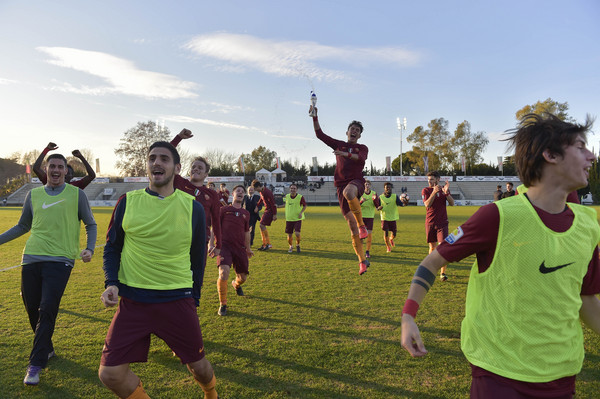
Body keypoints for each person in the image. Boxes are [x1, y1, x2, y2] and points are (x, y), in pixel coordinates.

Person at [401, 113, 600, 398]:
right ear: (550, 155)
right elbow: (432, 261)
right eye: (580, 147)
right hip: (498, 374)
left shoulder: (587, 224)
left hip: (562, 374)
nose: (591, 156)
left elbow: (586, 298)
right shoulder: (498, 216)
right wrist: (409, 315)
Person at [99, 141, 218, 399]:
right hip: (133, 301)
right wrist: (111, 282)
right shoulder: (127, 201)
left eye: (164, 159)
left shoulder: (193, 208)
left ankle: (211, 393)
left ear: (176, 168)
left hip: (177, 299)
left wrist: (194, 298)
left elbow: (198, 260)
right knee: (110, 374)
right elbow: (112, 248)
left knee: (199, 368)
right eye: (152, 158)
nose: (157, 163)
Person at [0, 153, 97, 386]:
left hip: (61, 259)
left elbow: (91, 224)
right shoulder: (34, 195)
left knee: (47, 308)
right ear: (46, 169)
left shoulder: (77, 194)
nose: (55, 170)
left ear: (66, 171)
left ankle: (35, 364)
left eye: (60, 167)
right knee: (32, 307)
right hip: (31, 256)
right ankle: (48, 348)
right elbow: (23, 225)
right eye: (51, 166)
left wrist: (90, 249)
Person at [310, 105, 370, 275]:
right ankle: (361, 261)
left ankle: (362, 226)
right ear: (347, 132)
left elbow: (361, 158)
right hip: (340, 185)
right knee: (351, 227)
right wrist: (315, 116)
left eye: (357, 130)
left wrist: (345, 155)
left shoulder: (362, 147)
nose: (354, 131)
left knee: (349, 193)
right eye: (352, 129)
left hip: (356, 182)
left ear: (360, 135)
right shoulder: (339, 144)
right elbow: (319, 134)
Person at [170, 130, 222, 258]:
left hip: (200, 240)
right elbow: (166, 155)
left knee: (196, 277)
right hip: (176, 239)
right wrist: (178, 138)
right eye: (194, 167)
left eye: (200, 168)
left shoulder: (212, 194)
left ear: (206, 174)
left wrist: (218, 245)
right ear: (189, 170)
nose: (196, 169)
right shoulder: (179, 183)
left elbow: (216, 220)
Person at [216, 185, 254, 316]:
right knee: (223, 272)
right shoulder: (223, 210)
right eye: (238, 191)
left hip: (240, 248)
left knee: (242, 278)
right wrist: (212, 245)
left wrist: (248, 249)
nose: (240, 193)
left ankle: (236, 285)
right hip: (225, 247)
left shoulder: (246, 214)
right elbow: (215, 228)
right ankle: (223, 304)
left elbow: (246, 233)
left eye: (242, 192)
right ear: (232, 194)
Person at [421, 171, 454, 281]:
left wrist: (446, 193)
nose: (429, 182)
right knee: (432, 247)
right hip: (430, 223)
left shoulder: (444, 190)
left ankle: (443, 273)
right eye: (428, 180)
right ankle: (431, 268)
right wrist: (434, 193)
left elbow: (452, 203)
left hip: (442, 223)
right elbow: (427, 204)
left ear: (438, 180)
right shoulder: (426, 190)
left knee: (443, 247)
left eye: (432, 179)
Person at [376, 182, 408, 253]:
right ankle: (388, 246)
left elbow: (401, 204)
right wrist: (379, 208)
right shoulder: (380, 197)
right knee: (386, 232)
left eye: (389, 187)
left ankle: (391, 239)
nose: (388, 189)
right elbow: (377, 207)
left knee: (394, 234)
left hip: (393, 218)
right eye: (387, 187)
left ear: (391, 188)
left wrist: (405, 203)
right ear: (384, 188)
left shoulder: (395, 196)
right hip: (384, 218)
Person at [278, 183, 307, 253]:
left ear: (296, 190)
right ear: (289, 189)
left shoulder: (300, 197)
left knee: (297, 233)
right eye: (291, 188)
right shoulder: (286, 196)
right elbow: (285, 204)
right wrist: (278, 206)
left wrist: (301, 212)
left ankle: (298, 244)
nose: (293, 190)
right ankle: (290, 246)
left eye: (294, 188)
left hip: (297, 218)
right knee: (289, 234)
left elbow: (305, 206)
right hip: (289, 218)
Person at [251, 179, 277, 251]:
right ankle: (265, 244)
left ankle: (268, 244)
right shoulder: (262, 191)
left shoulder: (267, 192)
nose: (256, 191)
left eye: (256, 189)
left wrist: (274, 214)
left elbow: (273, 204)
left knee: (262, 225)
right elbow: (261, 199)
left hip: (270, 211)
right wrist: (257, 205)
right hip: (267, 210)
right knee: (261, 225)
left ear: (259, 186)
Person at [360, 180, 379, 258]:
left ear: (370, 185)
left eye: (368, 184)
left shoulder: (374, 193)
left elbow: (377, 206)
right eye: (365, 184)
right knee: (361, 235)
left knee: (369, 235)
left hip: (370, 217)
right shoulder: (360, 193)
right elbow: (356, 205)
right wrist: (361, 201)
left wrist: (375, 200)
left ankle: (367, 251)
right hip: (361, 217)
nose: (367, 185)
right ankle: (360, 251)